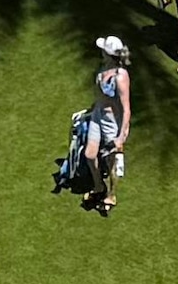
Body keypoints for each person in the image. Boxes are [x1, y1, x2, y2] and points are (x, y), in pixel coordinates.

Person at [54, 34, 132, 214]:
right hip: (98, 117)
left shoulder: (120, 78)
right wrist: (89, 112)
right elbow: (100, 97)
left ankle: (111, 195)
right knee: (90, 154)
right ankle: (99, 186)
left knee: (111, 162)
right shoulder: (102, 70)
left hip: (112, 124)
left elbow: (126, 109)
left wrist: (121, 136)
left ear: (109, 55)